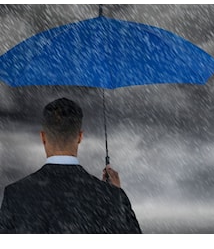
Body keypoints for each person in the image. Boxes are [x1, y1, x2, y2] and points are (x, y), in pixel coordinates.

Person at [0, 97, 142, 234]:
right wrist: (116, 198)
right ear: (80, 137)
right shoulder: (109, 196)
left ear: (43, 137)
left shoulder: (15, 194)